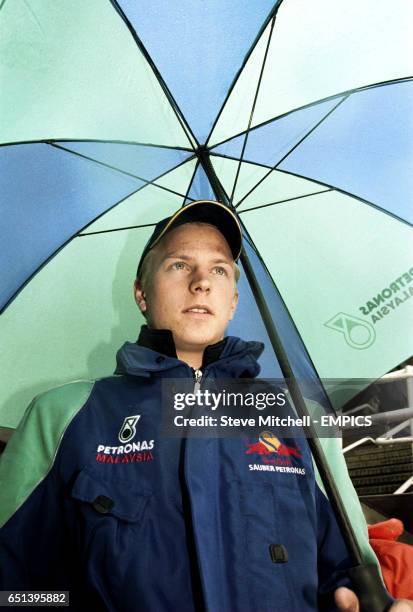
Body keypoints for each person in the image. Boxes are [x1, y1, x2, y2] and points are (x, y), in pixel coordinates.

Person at [0, 200, 411, 611]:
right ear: (141, 294)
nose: (201, 282)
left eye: (219, 269)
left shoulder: (301, 418)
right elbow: (15, 590)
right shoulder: (65, 415)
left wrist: (366, 601)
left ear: (233, 300)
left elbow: (347, 573)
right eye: (179, 265)